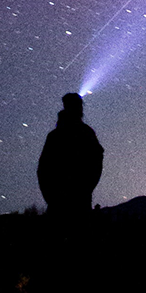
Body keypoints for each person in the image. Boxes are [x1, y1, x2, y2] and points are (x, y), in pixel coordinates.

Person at [37, 92, 103, 220]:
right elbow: (96, 163)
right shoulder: (85, 133)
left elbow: (43, 168)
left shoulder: (55, 135)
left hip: (60, 201)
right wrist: (86, 189)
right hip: (75, 200)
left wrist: (50, 196)